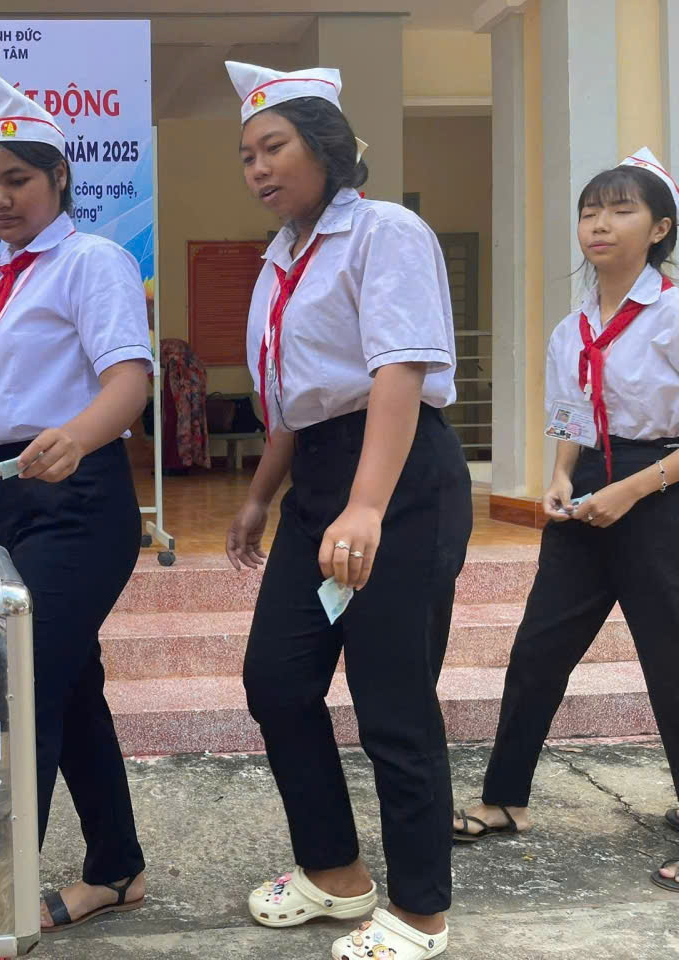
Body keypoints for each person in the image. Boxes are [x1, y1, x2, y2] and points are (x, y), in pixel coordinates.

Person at [222, 61, 472, 960]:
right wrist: (261, 494)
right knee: (277, 682)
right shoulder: (280, 260)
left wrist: (368, 504)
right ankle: (334, 872)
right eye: (247, 155)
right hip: (320, 481)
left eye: (273, 147)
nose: (257, 168)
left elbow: (396, 369)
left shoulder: (384, 231)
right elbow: (301, 401)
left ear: (326, 146)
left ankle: (420, 912)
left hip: (399, 480)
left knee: (393, 703)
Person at [0, 68, 152, 931]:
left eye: (17, 180)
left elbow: (129, 381)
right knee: (69, 687)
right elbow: (3, 422)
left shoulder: (91, 262)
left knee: (25, 690)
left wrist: (79, 436)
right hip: (17, 501)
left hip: (83, 501)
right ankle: (118, 871)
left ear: (59, 177)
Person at [451, 148, 679, 894]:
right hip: (587, 493)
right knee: (539, 648)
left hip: (661, 491)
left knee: (671, 660)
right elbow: (571, 417)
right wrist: (558, 478)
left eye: (620, 210)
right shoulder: (570, 327)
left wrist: (633, 489)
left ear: (660, 229)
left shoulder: (673, 314)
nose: (599, 225)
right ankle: (505, 798)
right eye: (589, 212)